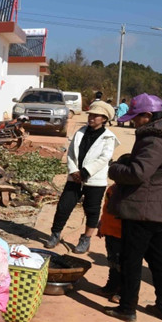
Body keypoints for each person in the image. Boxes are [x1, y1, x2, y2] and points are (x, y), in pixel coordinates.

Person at [104, 93, 162, 322]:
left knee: (131, 260)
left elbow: (137, 173)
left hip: (143, 209)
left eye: (135, 118)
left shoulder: (154, 139)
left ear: (148, 116)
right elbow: (156, 167)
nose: (133, 122)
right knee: (160, 260)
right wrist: (130, 158)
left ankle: (127, 308)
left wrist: (114, 168)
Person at [44, 101, 118, 254]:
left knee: (92, 210)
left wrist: (85, 172)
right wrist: (74, 171)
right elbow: (71, 153)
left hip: (95, 181)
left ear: (104, 119)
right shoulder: (80, 132)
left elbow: (104, 158)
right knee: (64, 206)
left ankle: (86, 238)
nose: (91, 118)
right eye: (91, 114)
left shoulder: (108, 138)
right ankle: (55, 234)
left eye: (96, 116)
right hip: (74, 178)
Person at [97, 185, 123, 302]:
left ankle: (122, 291)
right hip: (110, 231)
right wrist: (102, 224)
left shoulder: (132, 191)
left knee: (122, 264)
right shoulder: (112, 189)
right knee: (112, 261)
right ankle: (112, 285)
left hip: (122, 234)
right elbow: (106, 209)